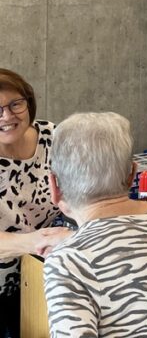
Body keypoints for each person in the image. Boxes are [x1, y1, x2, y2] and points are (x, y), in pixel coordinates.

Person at [43, 112, 147, 337]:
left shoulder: (66, 262)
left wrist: (74, 245)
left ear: (54, 187)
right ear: (132, 174)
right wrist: (75, 241)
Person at [0, 69, 72, 335]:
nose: (7, 116)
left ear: (28, 102)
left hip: (47, 273)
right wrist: (37, 241)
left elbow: (80, 191)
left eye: (15, 104)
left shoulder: (53, 136)